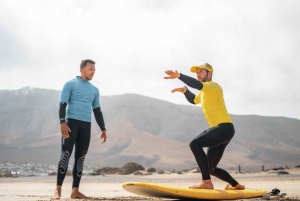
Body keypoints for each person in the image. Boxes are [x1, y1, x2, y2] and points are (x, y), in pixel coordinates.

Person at [164, 62, 244, 190]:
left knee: (195, 144)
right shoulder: (205, 92)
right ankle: (236, 185)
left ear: (209, 73)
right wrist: (185, 91)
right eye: (196, 72)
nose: (198, 74)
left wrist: (179, 75)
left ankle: (206, 182)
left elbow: (197, 85)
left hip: (223, 127)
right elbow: (194, 100)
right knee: (210, 168)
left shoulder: (212, 86)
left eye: (201, 71)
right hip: (224, 130)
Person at [52, 59, 107, 199]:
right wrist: (62, 122)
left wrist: (103, 128)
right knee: (66, 154)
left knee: (80, 158)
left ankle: (75, 190)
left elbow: (97, 110)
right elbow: (62, 104)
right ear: (81, 69)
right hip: (71, 123)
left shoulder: (94, 90)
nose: (93, 72)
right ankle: (58, 189)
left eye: (94, 70)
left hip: (86, 125)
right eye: (90, 69)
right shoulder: (70, 84)